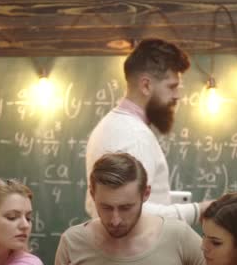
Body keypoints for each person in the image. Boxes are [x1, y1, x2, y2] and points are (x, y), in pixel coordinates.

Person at [51, 152, 208, 265]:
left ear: (145, 194)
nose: (115, 220)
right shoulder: (72, 242)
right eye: (106, 207)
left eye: (126, 207)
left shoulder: (178, 236)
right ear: (92, 194)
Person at [85, 38, 209, 226]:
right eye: (172, 86)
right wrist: (198, 211)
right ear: (146, 86)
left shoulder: (110, 125)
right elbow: (134, 210)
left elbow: (94, 205)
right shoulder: (134, 136)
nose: (177, 95)